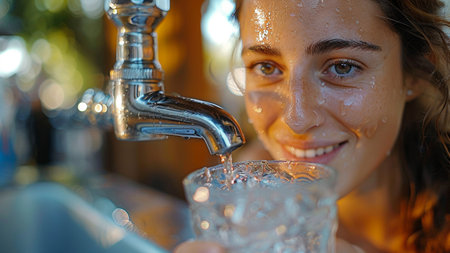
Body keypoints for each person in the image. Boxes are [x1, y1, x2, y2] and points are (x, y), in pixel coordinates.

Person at [175, 0, 450, 252]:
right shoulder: (246, 210)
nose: (297, 119)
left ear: (416, 72)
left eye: (342, 67)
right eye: (267, 68)